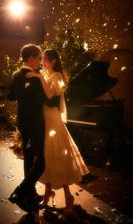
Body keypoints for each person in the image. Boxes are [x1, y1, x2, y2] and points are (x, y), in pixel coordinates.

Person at [26, 49, 89, 212]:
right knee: (46, 157)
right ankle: (48, 194)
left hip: (53, 121)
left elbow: (49, 97)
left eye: (45, 60)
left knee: (58, 157)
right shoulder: (46, 74)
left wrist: (39, 76)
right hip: (44, 120)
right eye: (43, 60)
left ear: (53, 61)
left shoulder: (57, 77)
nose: (43, 62)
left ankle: (68, 197)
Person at [7, 44, 46, 213]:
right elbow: (45, 99)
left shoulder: (16, 75)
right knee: (43, 160)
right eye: (38, 57)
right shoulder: (36, 76)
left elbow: (10, 96)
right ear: (31, 58)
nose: (40, 61)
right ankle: (21, 190)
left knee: (29, 158)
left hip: (23, 122)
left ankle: (30, 194)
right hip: (35, 124)